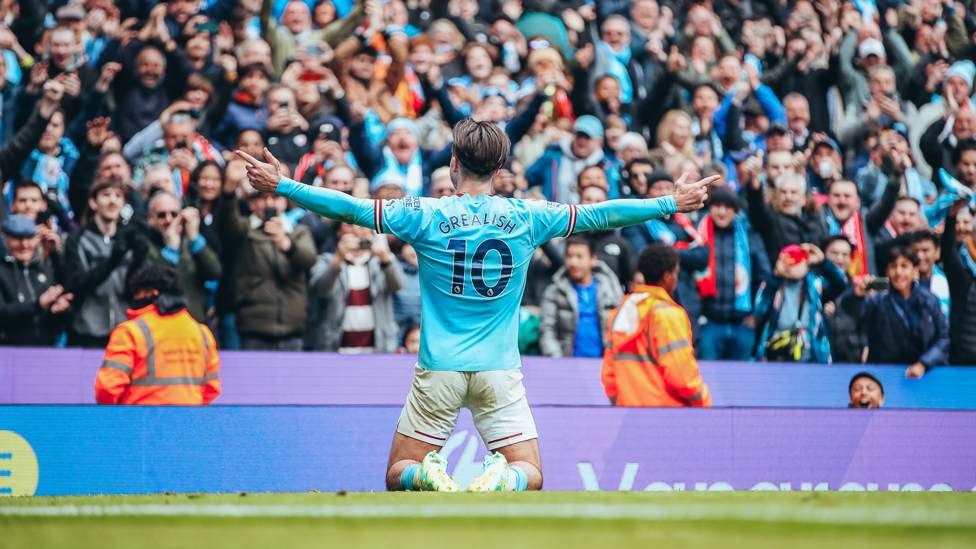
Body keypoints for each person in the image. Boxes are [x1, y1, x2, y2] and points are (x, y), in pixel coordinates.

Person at [236, 118, 713, 492]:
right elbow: (601, 213)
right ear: (500, 169)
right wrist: (669, 203)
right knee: (530, 473)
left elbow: (348, 207)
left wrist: (284, 186)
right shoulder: (529, 216)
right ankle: (500, 478)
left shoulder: (424, 214)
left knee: (399, 470)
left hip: (439, 367)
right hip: (499, 370)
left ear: (453, 164)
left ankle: (428, 476)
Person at [215, 164, 317, 351]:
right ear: (252, 204)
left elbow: (309, 260)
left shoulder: (298, 232)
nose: (269, 203)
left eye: (275, 197)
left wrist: (286, 244)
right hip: (254, 326)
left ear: (285, 202)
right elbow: (225, 223)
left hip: (292, 327)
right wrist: (229, 188)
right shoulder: (244, 229)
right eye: (263, 198)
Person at [601, 243, 712, 407]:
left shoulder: (620, 312)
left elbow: (609, 374)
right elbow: (681, 376)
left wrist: (622, 402)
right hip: (667, 417)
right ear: (667, 277)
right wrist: (703, 399)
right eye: (676, 274)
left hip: (628, 414)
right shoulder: (669, 315)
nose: (676, 278)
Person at [95, 264, 221, 405]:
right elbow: (212, 388)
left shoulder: (130, 331)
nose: (135, 298)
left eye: (137, 293)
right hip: (187, 422)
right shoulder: (202, 333)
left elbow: (107, 389)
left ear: (151, 293)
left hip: (138, 423)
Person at [62, 177, 148, 348]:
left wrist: (139, 260)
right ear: (93, 202)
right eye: (106, 194)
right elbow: (77, 284)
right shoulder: (77, 239)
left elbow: (133, 290)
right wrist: (113, 261)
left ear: (124, 203)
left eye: (118, 196)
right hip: (86, 332)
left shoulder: (129, 238)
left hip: (124, 332)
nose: (112, 200)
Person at [843, 245, 949, 378]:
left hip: (924, 373)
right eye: (893, 266)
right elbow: (853, 309)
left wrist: (923, 364)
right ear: (887, 272)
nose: (898, 272)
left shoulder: (929, 299)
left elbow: (943, 338)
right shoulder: (878, 298)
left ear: (915, 271)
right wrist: (857, 295)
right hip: (884, 373)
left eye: (904, 266)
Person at [696, 187, 771, 360]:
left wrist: (757, 315)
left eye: (728, 207)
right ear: (709, 208)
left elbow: (764, 278)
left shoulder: (751, 237)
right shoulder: (697, 235)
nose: (722, 211)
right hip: (709, 323)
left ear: (735, 211)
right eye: (717, 205)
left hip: (743, 324)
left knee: (742, 381)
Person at [307, 222, 407, 353]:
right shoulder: (326, 260)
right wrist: (337, 259)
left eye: (362, 225)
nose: (356, 229)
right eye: (349, 225)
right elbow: (319, 290)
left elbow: (399, 285)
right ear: (339, 232)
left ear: (371, 231)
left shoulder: (380, 261)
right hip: (335, 349)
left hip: (378, 349)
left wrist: (386, 260)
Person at [753, 243, 847, 363]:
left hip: (812, 356)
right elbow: (759, 310)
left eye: (799, 260)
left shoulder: (815, 286)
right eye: (789, 261)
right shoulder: (772, 285)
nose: (795, 265)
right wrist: (775, 276)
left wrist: (823, 261)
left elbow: (841, 284)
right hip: (776, 356)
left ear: (808, 265)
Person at [144, 192, 222, 324]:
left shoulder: (191, 243)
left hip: (194, 324)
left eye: (174, 214)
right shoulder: (145, 245)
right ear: (151, 218)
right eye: (161, 215)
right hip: (160, 325)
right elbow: (155, 283)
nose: (169, 220)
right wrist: (171, 248)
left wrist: (194, 237)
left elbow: (215, 271)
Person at [539, 236, 623, 358]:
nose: (573, 262)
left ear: (593, 259)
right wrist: (558, 362)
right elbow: (547, 331)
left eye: (579, 256)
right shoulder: (554, 292)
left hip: (604, 365)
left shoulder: (611, 289)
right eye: (569, 256)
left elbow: (621, 328)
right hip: (567, 367)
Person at [0, 215, 73, 346]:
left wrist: (57, 309)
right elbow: (3, 313)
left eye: (29, 237)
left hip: (45, 349)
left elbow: (68, 288)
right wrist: (38, 305)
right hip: (8, 351)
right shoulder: (2, 271)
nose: (24, 244)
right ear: (5, 238)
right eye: (18, 238)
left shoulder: (43, 269)